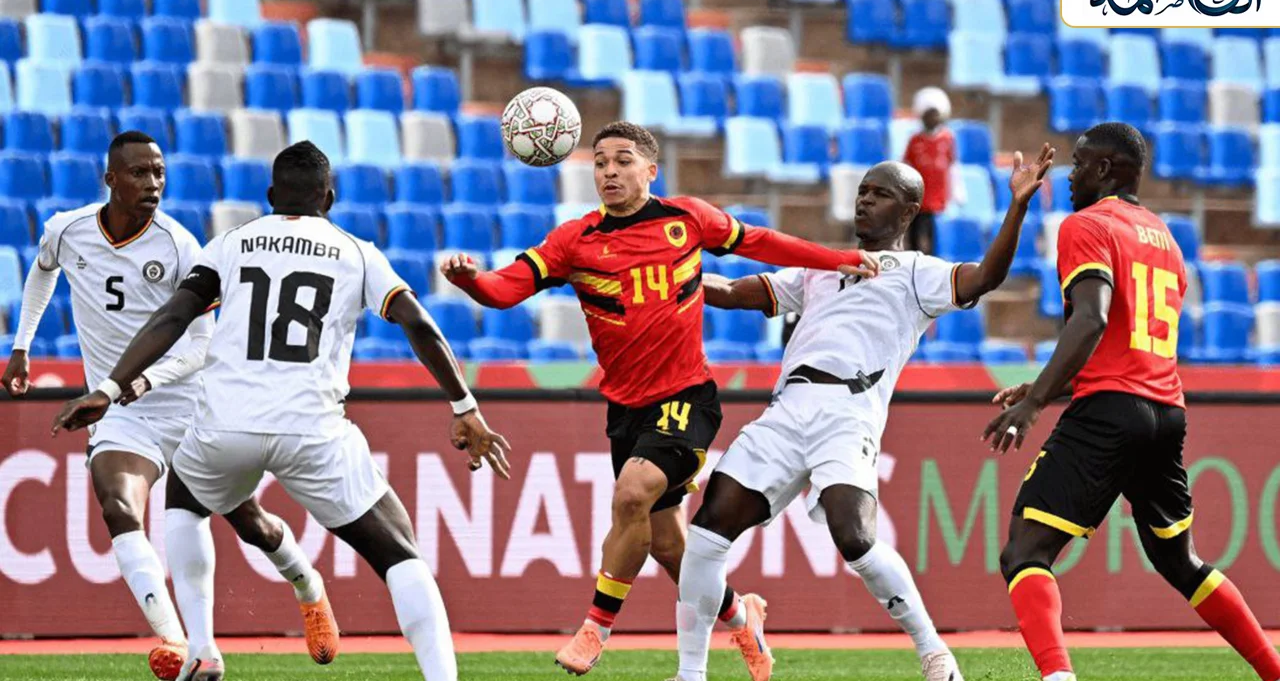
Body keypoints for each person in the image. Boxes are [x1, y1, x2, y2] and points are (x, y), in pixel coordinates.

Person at [50, 141, 511, 681]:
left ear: (271, 195)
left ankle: (202, 648)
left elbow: (173, 317)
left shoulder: (231, 244)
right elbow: (419, 325)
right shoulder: (356, 252)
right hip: (312, 430)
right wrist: (464, 406)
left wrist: (109, 387)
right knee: (399, 554)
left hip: (227, 425)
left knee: (185, 502)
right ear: (329, 198)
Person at [442, 121, 878, 679]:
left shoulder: (686, 219)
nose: (609, 172)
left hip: (688, 398)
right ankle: (741, 615)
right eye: (601, 162)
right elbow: (504, 289)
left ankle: (595, 628)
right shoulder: (574, 241)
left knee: (632, 494)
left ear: (651, 170)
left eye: (623, 161)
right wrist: (470, 281)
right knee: (670, 547)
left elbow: (760, 242)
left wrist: (835, 258)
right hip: (627, 409)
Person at [673, 147, 1053, 681]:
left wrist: (1017, 206)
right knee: (708, 530)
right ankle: (691, 673)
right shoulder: (821, 265)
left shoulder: (918, 272)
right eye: (863, 191)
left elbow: (986, 277)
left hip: (848, 412)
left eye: (880, 194)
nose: (865, 201)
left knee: (854, 536)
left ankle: (934, 653)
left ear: (909, 211)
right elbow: (736, 291)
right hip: (787, 408)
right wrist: (675, 276)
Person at [2, 131, 336, 681]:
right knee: (118, 505)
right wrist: (22, 346)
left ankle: (307, 584)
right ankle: (181, 644)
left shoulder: (180, 246)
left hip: (190, 405)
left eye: (159, 172)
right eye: (140, 173)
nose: (153, 183)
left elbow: (203, 346)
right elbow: (43, 269)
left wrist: (137, 382)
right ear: (111, 179)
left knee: (249, 522)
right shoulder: (68, 229)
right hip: (122, 411)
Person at [984, 123, 1280, 681]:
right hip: (1165, 412)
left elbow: (1092, 319)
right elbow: (1126, 345)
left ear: (1104, 169)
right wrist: (1043, 384)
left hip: (1110, 412)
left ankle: (1058, 677)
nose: (1070, 175)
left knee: (1024, 552)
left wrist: (1036, 402)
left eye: (1079, 163)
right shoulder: (1165, 239)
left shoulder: (1086, 225)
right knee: (1181, 560)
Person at [902, 87, 956, 256]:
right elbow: (906, 164)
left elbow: (952, 166)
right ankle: (913, 257)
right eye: (928, 114)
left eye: (935, 114)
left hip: (937, 196)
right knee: (915, 230)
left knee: (933, 232)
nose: (932, 119)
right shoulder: (915, 140)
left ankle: (932, 258)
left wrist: (956, 192)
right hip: (918, 195)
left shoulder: (947, 139)